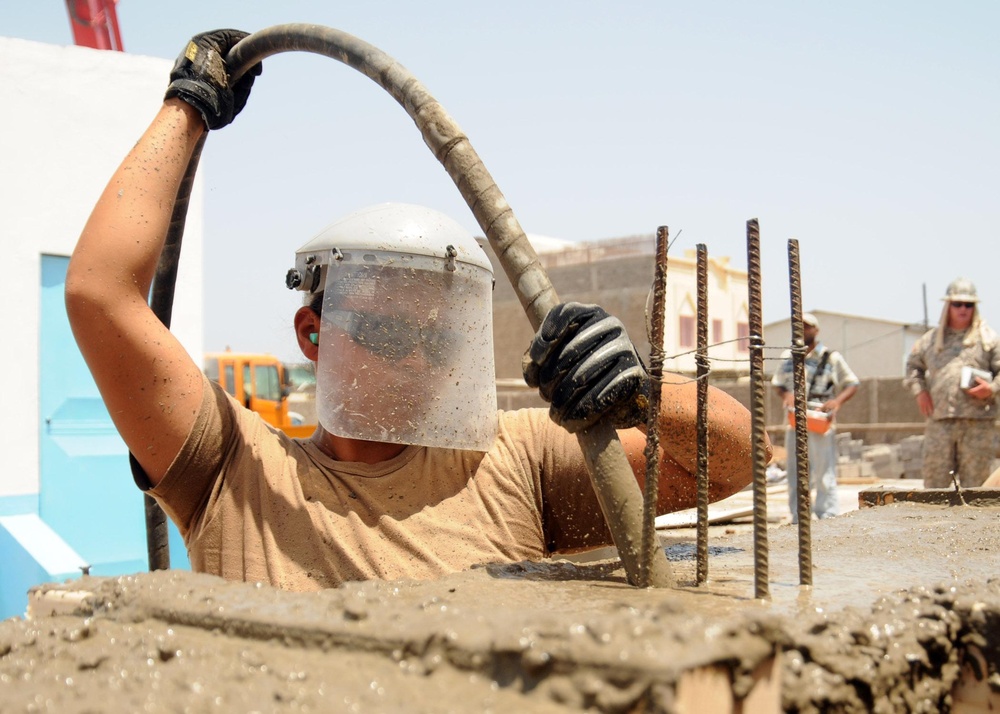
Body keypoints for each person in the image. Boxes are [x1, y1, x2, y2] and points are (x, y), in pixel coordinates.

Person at [65, 29, 762, 591]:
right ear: (313, 333)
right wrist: (186, 107)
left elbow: (737, 457)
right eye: (389, 330)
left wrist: (639, 393)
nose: (420, 360)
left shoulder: (512, 460)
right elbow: (100, 293)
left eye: (442, 339)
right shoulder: (236, 469)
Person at [903, 278, 1000, 488]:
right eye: (957, 304)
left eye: (969, 304)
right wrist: (920, 392)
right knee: (934, 487)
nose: (963, 309)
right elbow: (912, 367)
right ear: (948, 305)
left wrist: (991, 389)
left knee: (977, 489)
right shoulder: (930, 341)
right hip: (940, 422)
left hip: (978, 424)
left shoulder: (989, 339)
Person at [771, 313, 859, 522]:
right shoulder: (788, 357)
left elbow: (852, 383)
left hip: (821, 420)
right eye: (799, 326)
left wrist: (836, 402)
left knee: (824, 470)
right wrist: (787, 395)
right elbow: (778, 383)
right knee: (795, 470)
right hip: (795, 421)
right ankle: (799, 514)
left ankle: (826, 513)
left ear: (816, 330)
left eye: (807, 327)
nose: (803, 330)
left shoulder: (830, 358)